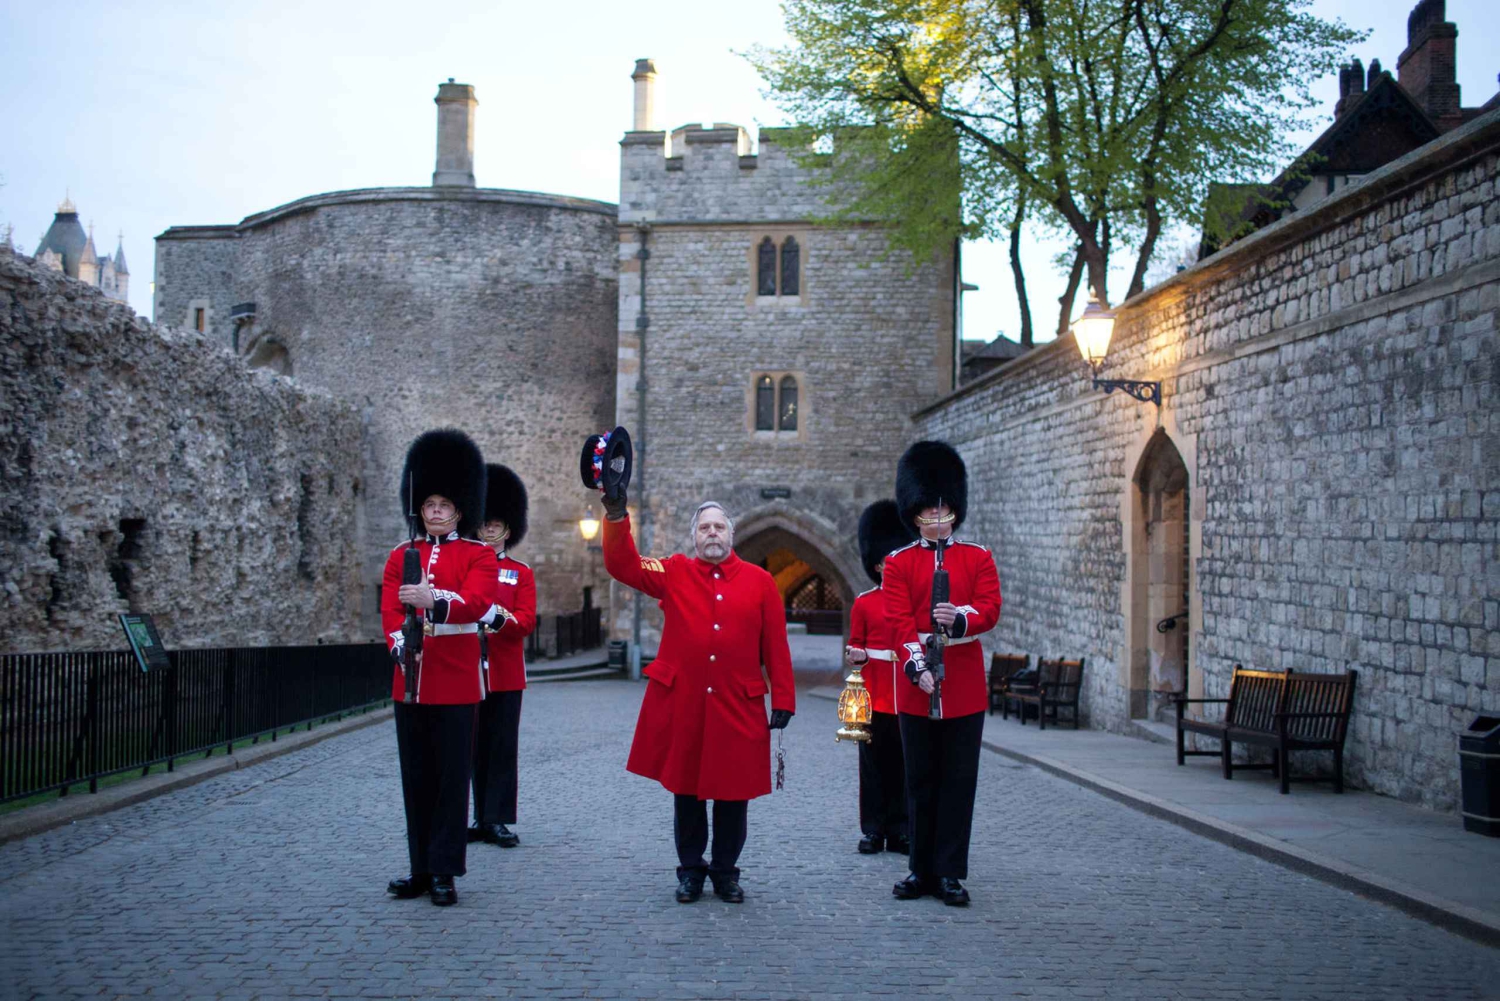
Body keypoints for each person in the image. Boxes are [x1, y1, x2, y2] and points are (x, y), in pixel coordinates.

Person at [600, 491, 796, 904]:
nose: (712, 533)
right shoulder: (674, 571)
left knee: (733, 796)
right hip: (685, 703)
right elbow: (623, 565)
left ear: (731, 535)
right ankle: (690, 870)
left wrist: (784, 698)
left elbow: (776, 645)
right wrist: (616, 516)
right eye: (704, 527)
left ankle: (725, 872)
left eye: (718, 527)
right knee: (686, 794)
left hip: (737, 704)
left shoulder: (761, 582)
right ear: (694, 536)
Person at [380, 428, 499, 907]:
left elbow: (478, 603)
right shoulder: (398, 556)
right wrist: (399, 646)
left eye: (443, 505)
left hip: (454, 681)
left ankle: (446, 870)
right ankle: (421, 869)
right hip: (410, 682)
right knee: (416, 779)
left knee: (452, 781)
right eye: (428, 503)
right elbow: (390, 608)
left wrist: (434, 601)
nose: (434, 511)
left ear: (459, 509)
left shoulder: (479, 555)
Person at [883, 440, 1001, 907]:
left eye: (944, 510)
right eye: (927, 512)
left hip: (965, 688)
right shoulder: (898, 563)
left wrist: (962, 618)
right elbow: (895, 621)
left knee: (958, 782)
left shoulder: (978, 557)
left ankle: (950, 872)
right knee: (920, 781)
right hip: (917, 689)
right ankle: (920, 869)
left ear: (955, 510)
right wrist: (916, 665)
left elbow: (990, 607)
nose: (936, 518)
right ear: (914, 515)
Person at [469, 463, 536, 849]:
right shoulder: (464, 568)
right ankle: (476, 816)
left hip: (505, 672)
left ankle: (495, 818)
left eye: (497, 524)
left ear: (508, 529)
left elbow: (525, 620)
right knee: (469, 747)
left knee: (500, 748)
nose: (490, 529)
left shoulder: (519, 572)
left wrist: (494, 617)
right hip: (466, 670)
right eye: (485, 523)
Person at [845, 499, 913, 856]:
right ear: (877, 566)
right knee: (872, 768)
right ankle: (873, 830)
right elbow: (855, 644)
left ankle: (900, 830)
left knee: (902, 767)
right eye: (888, 563)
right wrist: (856, 654)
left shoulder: (913, 604)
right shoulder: (864, 603)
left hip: (905, 693)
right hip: (872, 696)